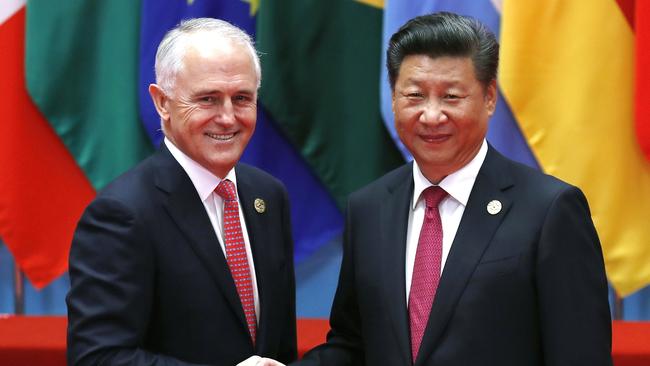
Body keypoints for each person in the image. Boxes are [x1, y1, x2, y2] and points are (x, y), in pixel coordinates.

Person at [292, 12, 612, 366]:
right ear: (393, 98)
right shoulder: (369, 208)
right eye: (414, 95)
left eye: (451, 96)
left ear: (489, 97)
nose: (431, 115)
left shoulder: (550, 210)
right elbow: (354, 344)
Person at [66, 18, 296, 366]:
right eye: (208, 99)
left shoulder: (268, 196)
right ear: (162, 103)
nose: (229, 117)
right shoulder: (122, 213)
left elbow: (278, 348)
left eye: (242, 98)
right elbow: (97, 358)